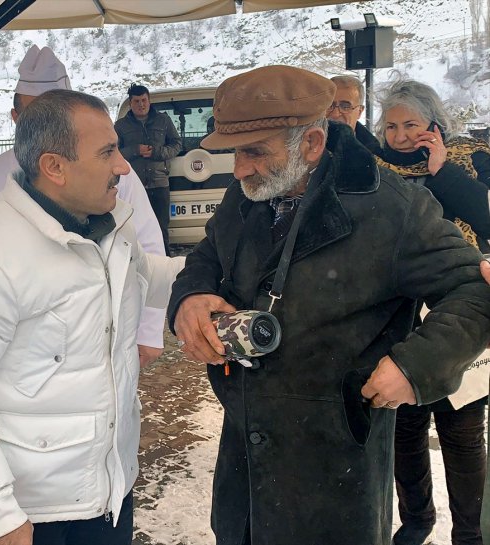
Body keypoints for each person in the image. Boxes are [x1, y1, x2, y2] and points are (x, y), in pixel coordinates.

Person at [166, 65, 490, 545]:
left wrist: (416, 365)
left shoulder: (392, 208)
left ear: (312, 144)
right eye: (235, 152)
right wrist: (189, 298)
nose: (238, 169)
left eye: (254, 152)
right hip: (243, 464)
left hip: (338, 465)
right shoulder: (247, 192)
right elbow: (206, 257)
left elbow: (472, 290)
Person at [0, 89, 185, 545]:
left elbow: (143, 276)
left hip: (111, 487)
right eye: (107, 152)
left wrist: (211, 282)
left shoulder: (109, 221)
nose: (123, 166)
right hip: (36, 513)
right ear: (54, 166)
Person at [0, 45, 166, 367]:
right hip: (20, 352)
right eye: (36, 115)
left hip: (104, 343)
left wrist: (149, 331)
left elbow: (148, 249)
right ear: (15, 118)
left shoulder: (115, 171)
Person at [374, 78, 490, 545]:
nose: (401, 136)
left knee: (462, 431)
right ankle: (416, 520)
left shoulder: (472, 160)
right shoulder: (373, 170)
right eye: (392, 125)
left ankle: (469, 534)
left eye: (411, 124)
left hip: (461, 313)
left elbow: (485, 218)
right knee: (405, 427)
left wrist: (442, 170)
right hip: (398, 312)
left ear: (435, 124)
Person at [114, 83, 182, 255]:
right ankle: (139, 265)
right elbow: (113, 153)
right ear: (130, 103)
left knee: (161, 228)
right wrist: (135, 150)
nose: (141, 104)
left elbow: (176, 144)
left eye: (144, 100)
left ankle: (165, 264)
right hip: (134, 187)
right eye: (136, 101)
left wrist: (157, 152)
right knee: (134, 229)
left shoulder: (163, 121)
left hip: (159, 183)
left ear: (149, 101)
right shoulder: (120, 126)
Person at [327, 75, 382, 155]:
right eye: (329, 105)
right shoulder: (305, 144)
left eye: (345, 106)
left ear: (359, 112)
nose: (335, 114)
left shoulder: (375, 153)